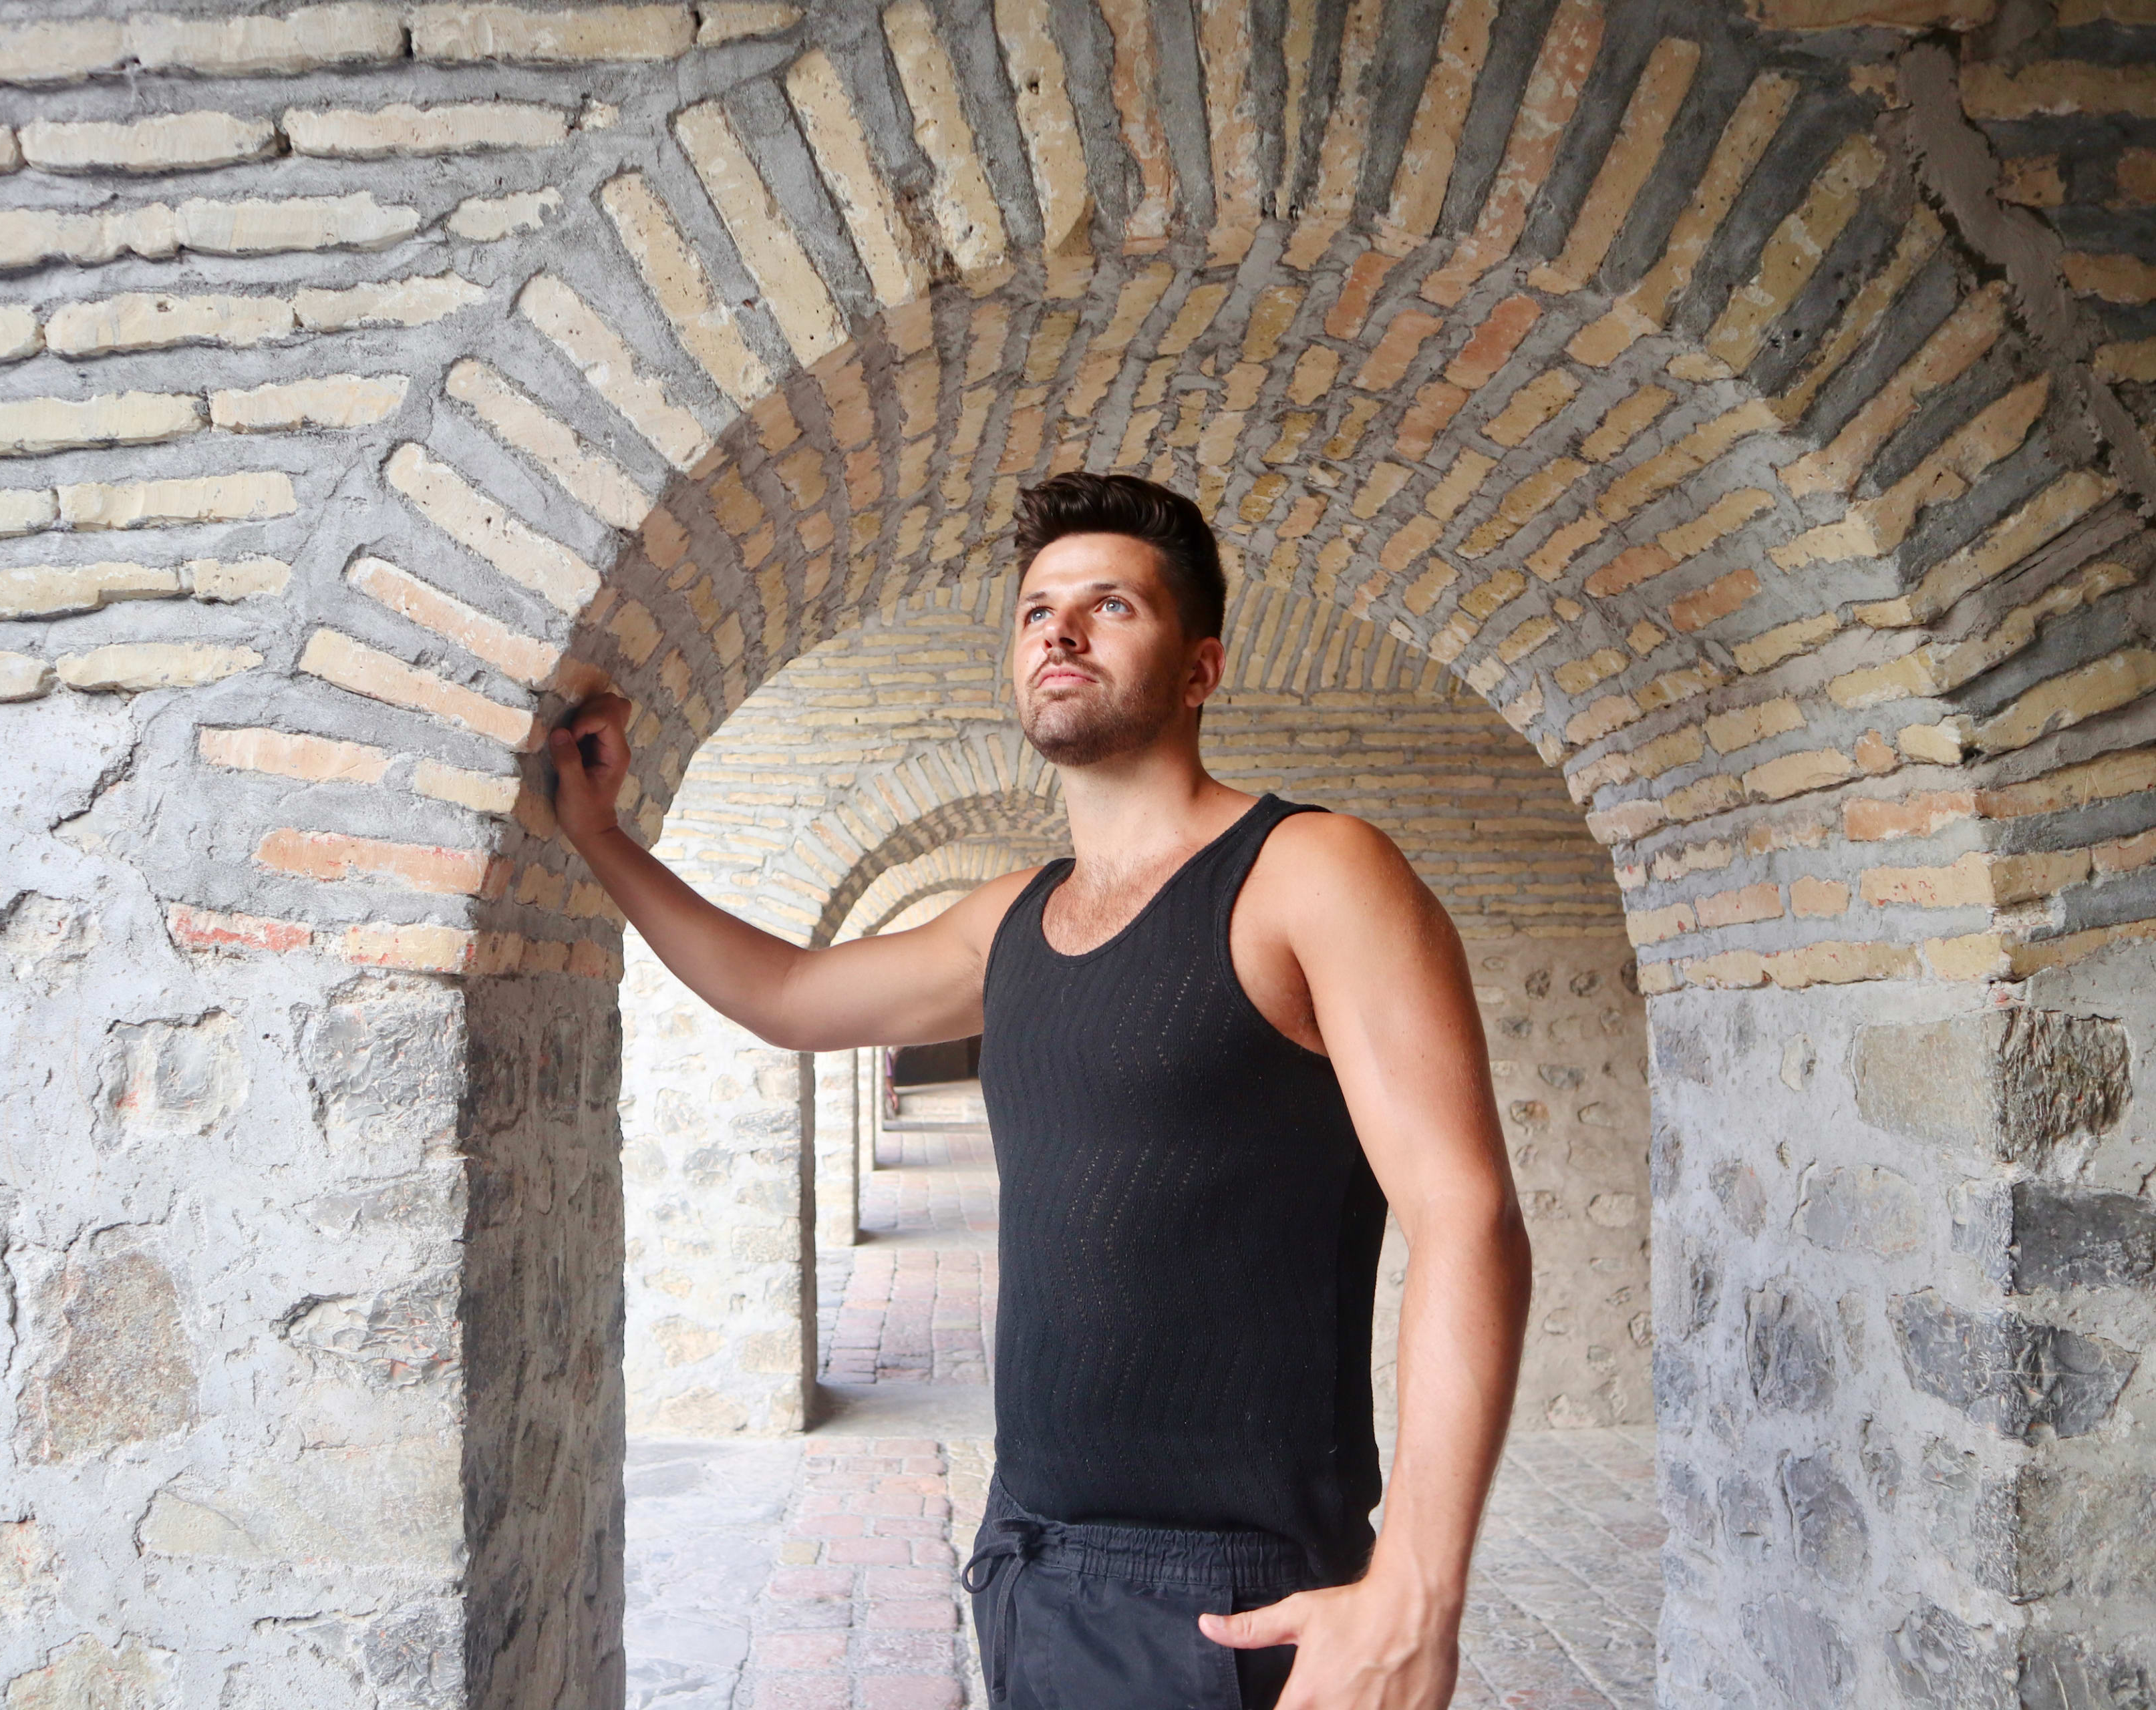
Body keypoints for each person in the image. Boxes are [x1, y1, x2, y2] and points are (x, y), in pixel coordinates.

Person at [552, 472, 1532, 1710]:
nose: (1059, 632)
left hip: (1230, 1597)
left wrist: (1419, 1592)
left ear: (1202, 668)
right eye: (1035, 611)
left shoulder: (1310, 873)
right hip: (1029, 1557)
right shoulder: (1011, 918)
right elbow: (787, 998)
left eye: (1110, 605)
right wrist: (601, 837)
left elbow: (1468, 1217)